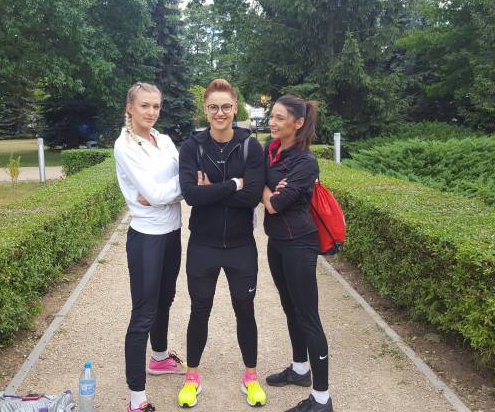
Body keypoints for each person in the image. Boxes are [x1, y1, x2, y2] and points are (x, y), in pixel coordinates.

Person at [177, 78, 268, 408]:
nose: (220, 113)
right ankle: (192, 378)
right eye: (213, 107)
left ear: (235, 108)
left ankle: (251, 377)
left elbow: (252, 197)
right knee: (199, 310)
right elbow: (191, 195)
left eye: (226, 107)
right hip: (203, 244)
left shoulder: (250, 146)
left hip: (241, 245)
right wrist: (233, 184)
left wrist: (211, 190)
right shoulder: (192, 147)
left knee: (245, 309)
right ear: (205, 109)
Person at [114, 82, 185, 412]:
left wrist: (164, 192)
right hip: (146, 238)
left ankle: (159, 357)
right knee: (143, 313)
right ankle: (136, 397)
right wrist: (170, 192)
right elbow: (156, 195)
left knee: (166, 299)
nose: (152, 112)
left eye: (156, 106)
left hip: (172, 232)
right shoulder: (124, 146)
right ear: (130, 107)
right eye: (145, 105)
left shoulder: (165, 140)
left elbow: (182, 179)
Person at [262, 95, 334, 412]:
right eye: (272, 116)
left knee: (308, 316)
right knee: (290, 307)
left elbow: (275, 204)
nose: (272, 122)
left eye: (280, 118)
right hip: (276, 242)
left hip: (299, 243)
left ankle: (322, 399)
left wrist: (263, 191)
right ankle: (300, 369)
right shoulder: (271, 149)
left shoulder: (305, 162)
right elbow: (260, 185)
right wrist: (266, 188)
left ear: (298, 122)